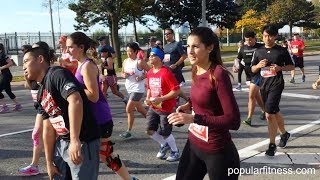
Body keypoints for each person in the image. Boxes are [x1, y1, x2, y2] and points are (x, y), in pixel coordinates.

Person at [167, 27, 241, 180]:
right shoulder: (196, 68)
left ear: (210, 48)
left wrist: (194, 119)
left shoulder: (218, 74)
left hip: (217, 151)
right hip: (194, 144)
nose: (190, 51)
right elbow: (203, 97)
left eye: (195, 46)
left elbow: (233, 121)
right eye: (188, 46)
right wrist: (189, 105)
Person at [23, 46, 101, 179]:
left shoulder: (57, 74)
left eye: (26, 61)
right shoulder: (41, 92)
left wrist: (75, 141)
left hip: (82, 141)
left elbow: (75, 100)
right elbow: (48, 128)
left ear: (40, 59)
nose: (23, 66)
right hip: (61, 145)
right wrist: (49, 163)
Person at [67, 32, 135, 180]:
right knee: (97, 154)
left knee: (105, 154)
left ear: (81, 47)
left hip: (100, 118)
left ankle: (129, 179)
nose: (67, 51)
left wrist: (73, 88)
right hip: (90, 118)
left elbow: (93, 95)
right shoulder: (79, 64)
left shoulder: (87, 66)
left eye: (70, 47)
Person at [251, 25, 295, 157]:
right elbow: (252, 69)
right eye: (265, 35)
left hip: (276, 84)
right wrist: (258, 65)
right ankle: (284, 133)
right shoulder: (258, 51)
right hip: (263, 85)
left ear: (275, 36)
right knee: (274, 111)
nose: (267, 38)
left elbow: (292, 66)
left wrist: (279, 68)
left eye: (270, 35)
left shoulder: (281, 50)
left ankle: (272, 144)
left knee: (269, 113)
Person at [18, 41, 54, 176]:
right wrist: (28, 78)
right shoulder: (32, 69)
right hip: (40, 107)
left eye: (35, 50)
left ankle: (35, 165)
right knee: (41, 135)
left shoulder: (48, 71)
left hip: (47, 107)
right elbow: (30, 87)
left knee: (38, 134)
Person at [144, 47, 181, 162]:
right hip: (153, 107)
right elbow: (149, 88)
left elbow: (176, 90)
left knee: (165, 132)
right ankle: (164, 145)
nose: (150, 57)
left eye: (153, 55)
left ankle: (175, 151)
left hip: (166, 108)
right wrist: (147, 98)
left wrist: (161, 99)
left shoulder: (166, 73)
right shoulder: (149, 72)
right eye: (149, 55)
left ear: (160, 58)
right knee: (149, 130)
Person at [120, 42, 149, 139]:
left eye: (130, 51)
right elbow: (122, 73)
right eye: (127, 51)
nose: (128, 53)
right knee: (140, 109)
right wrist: (124, 75)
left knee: (129, 109)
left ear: (136, 51)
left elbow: (151, 72)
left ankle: (129, 131)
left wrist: (141, 77)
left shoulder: (140, 62)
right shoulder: (125, 61)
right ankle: (154, 123)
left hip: (138, 89)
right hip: (129, 88)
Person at [239, 31, 266, 126]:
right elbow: (238, 59)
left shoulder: (261, 47)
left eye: (250, 39)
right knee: (255, 95)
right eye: (246, 40)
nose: (248, 42)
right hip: (248, 75)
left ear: (255, 38)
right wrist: (235, 65)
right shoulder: (243, 48)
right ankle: (264, 110)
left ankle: (249, 118)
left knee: (251, 95)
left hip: (258, 73)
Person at [163, 28, 188, 106]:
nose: (166, 35)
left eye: (168, 33)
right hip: (167, 72)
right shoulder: (165, 46)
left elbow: (184, 56)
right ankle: (188, 100)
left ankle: (176, 107)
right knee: (174, 91)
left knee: (175, 91)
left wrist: (176, 64)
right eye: (165, 34)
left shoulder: (177, 44)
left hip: (175, 72)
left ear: (172, 34)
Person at [0, 43, 22, 113]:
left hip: (6, 75)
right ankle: (18, 105)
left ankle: (4, 107)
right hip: (2, 75)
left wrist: (1, 68)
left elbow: (10, 63)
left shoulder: (4, 55)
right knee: (8, 91)